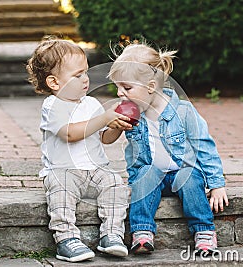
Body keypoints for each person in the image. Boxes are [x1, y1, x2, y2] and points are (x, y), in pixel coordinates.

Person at [108, 42, 229, 255]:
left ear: (151, 86)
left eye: (126, 88)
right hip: (150, 172)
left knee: (191, 179)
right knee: (144, 177)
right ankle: (142, 232)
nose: (119, 93)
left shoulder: (183, 111)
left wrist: (217, 184)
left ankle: (204, 231)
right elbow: (107, 139)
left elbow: (205, 147)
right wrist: (113, 124)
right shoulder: (131, 113)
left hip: (181, 171)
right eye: (118, 87)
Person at [26, 37, 133, 262]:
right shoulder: (53, 106)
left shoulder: (91, 103)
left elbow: (105, 138)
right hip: (63, 171)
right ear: (54, 83)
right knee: (60, 190)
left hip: (95, 169)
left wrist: (117, 126)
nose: (85, 79)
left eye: (85, 72)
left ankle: (111, 235)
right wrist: (105, 117)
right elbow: (70, 133)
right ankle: (66, 239)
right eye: (77, 75)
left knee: (115, 184)